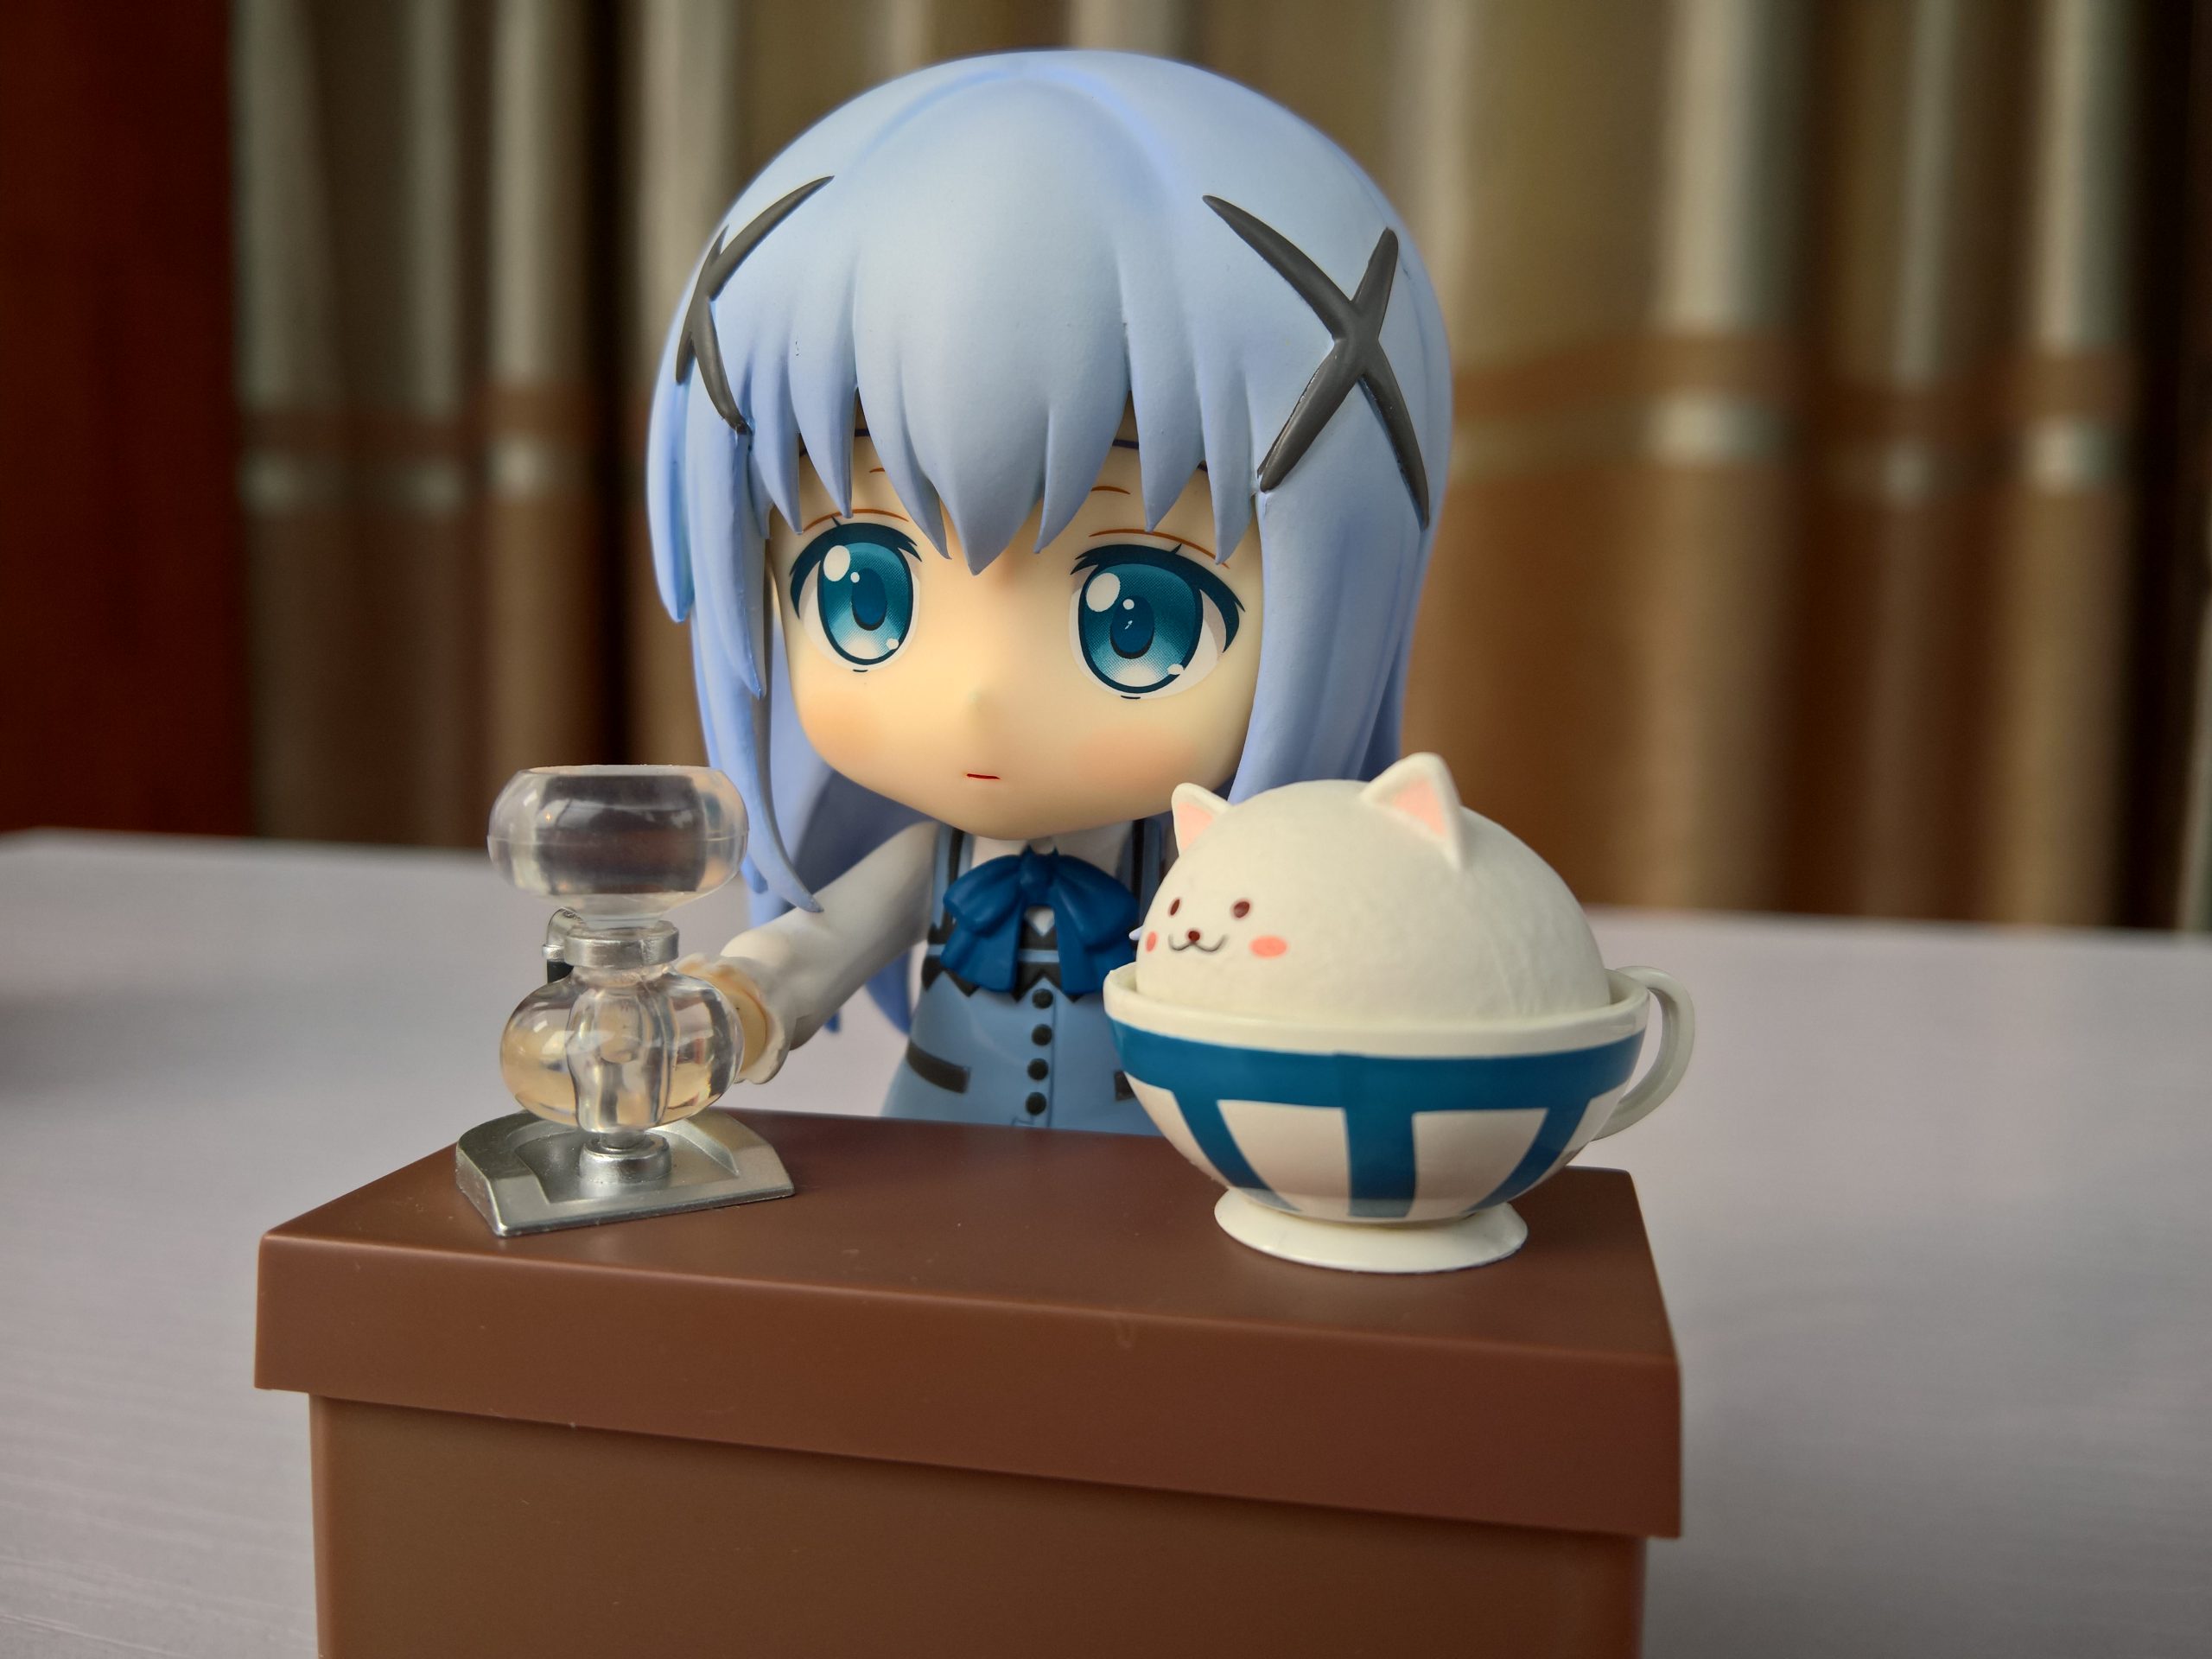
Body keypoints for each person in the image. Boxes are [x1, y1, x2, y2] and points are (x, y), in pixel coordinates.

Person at [644, 50, 1450, 1133]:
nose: (981, 694)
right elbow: (816, 947)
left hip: (1151, 1153)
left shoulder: (1204, 872)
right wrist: (744, 997)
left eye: (1137, 618)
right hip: (934, 1141)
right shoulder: (932, 863)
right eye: (863, 594)